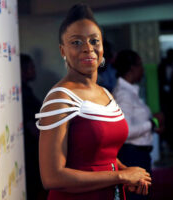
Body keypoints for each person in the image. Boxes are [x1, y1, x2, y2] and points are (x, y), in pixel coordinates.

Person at [35, 4, 151, 200]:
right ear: (63, 50)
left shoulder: (106, 93)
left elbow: (103, 154)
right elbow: (52, 177)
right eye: (76, 42)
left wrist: (128, 172)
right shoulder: (60, 98)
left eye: (94, 41)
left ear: (102, 47)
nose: (88, 48)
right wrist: (120, 176)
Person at [112, 50, 164, 200]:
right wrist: (152, 124)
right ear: (132, 68)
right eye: (140, 65)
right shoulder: (123, 94)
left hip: (138, 154)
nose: (143, 69)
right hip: (132, 155)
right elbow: (125, 131)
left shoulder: (130, 91)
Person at [20, 53, 48, 200]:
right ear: (22, 70)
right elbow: (32, 126)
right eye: (31, 67)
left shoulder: (27, 91)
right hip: (30, 153)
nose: (34, 70)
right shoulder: (22, 94)